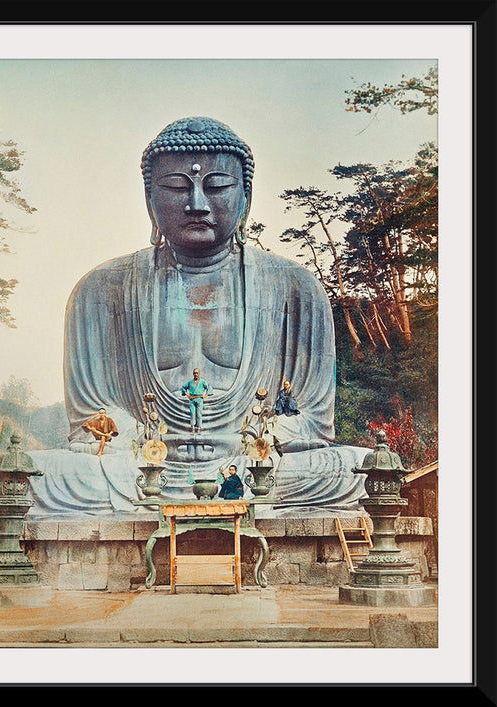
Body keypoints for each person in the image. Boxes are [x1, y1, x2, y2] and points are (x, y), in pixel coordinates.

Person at [28, 116, 370, 517]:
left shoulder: (295, 287)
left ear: (246, 195)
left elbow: (313, 422)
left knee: (355, 469)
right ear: (148, 198)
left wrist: (257, 442)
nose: (197, 204)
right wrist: (138, 448)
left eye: (218, 186)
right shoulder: (100, 290)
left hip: (256, 465)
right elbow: (91, 423)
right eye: (175, 187)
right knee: (43, 473)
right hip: (138, 470)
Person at [180, 368, 212, 433]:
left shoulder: (202, 382)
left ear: (199, 374)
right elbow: (183, 388)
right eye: (194, 373)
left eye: (197, 373)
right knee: (192, 413)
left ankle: (199, 428)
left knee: (199, 414)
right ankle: (193, 427)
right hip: (192, 400)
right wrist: (187, 394)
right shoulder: (190, 382)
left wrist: (206, 394)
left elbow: (209, 387)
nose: (196, 374)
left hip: (199, 399)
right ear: (193, 374)